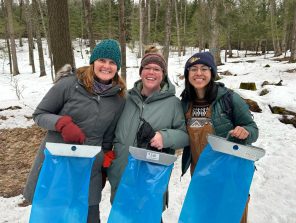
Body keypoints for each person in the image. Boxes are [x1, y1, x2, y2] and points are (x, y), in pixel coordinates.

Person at [23, 39, 126, 223]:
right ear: (93, 61)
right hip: (58, 164)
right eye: (102, 60)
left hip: (89, 169)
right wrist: (61, 123)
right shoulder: (70, 85)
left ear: (117, 67)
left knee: (89, 216)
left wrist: (106, 155)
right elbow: (40, 114)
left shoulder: (118, 99)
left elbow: (108, 136)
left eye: (112, 62)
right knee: (54, 217)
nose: (106, 66)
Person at [107, 47, 189, 216]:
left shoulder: (173, 103)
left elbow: (184, 136)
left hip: (151, 180)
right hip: (121, 177)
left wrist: (164, 137)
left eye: (157, 69)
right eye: (147, 68)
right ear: (141, 72)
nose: (151, 72)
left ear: (163, 74)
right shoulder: (125, 98)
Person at [180, 51, 259, 223]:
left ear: (212, 73)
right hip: (200, 176)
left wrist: (245, 132)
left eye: (204, 68)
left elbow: (252, 128)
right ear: (187, 74)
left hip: (230, 174)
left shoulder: (228, 99)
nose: (198, 73)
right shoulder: (185, 102)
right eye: (193, 69)